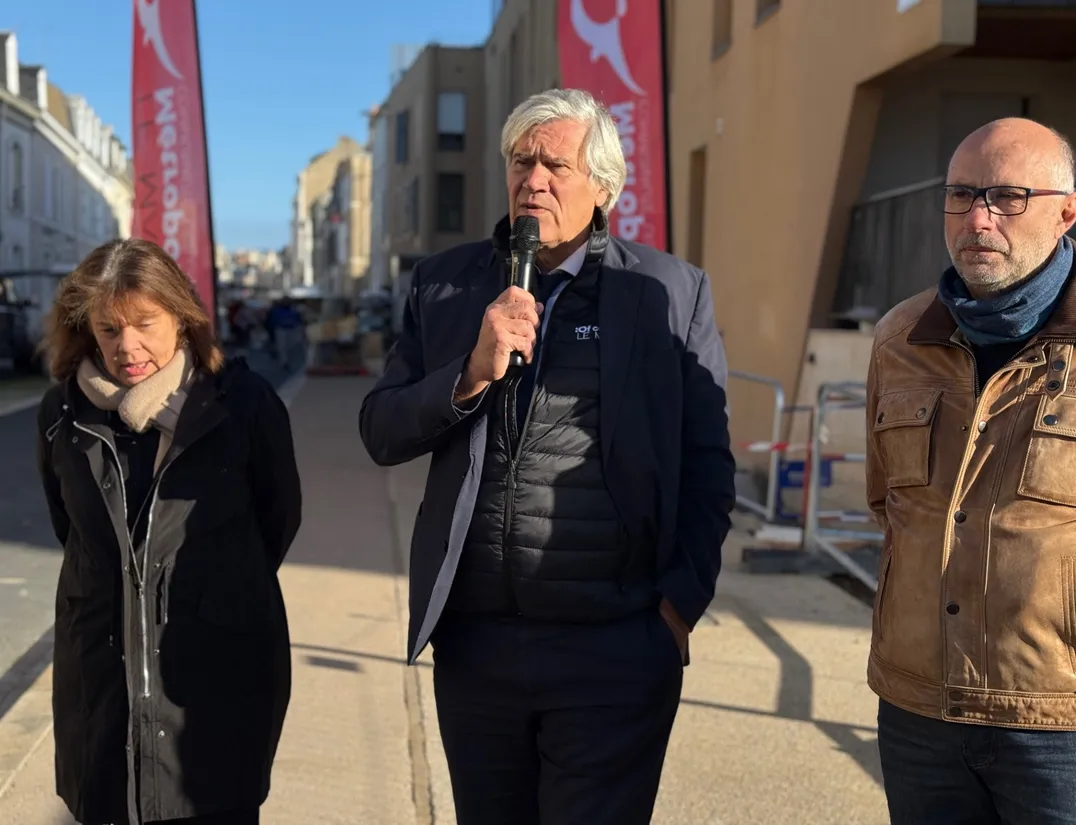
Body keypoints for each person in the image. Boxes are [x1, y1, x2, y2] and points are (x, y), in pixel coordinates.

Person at [359, 88, 736, 824]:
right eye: (521, 160)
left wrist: (677, 606)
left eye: (555, 164)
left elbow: (708, 461)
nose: (534, 178)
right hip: (477, 648)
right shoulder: (446, 284)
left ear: (603, 186)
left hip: (616, 646)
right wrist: (470, 370)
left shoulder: (665, 290)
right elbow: (382, 429)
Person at [865, 118, 1076, 824]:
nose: (978, 218)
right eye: (963, 194)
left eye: (1006, 196)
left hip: (1066, 719)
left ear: (1067, 210)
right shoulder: (900, 339)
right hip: (917, 706)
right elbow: (889, 505)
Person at [35, 238, 302, 825]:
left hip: (213, 686)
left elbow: (275, 522)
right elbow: (71, 529)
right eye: (108, 330)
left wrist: (210, 594)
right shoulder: (61, 413)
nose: (127, 349)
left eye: (144, 325)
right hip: (102, 693)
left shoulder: (243, 404)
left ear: (181, 316)